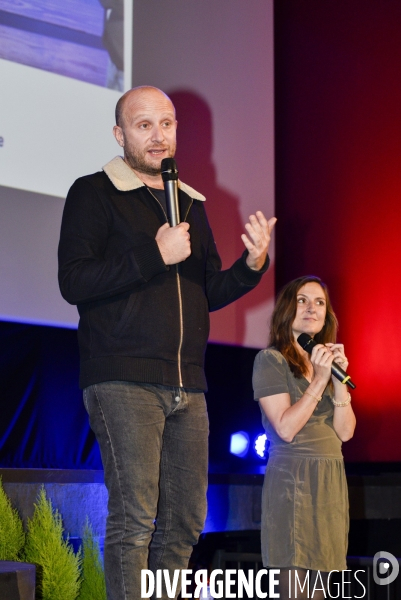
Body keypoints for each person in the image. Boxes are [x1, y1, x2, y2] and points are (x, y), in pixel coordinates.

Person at [58, 85, 276, 600]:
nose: (160, 137)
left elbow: (208, 292)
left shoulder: (191, 203)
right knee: (135, 522)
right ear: (120, 134)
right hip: (122, 379)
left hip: (187, 385)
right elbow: (74, 282)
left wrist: (250, 267)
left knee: (184, 525)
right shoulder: (92, 192)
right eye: (144, 125)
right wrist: (154, 254)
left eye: (168, 124)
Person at [252, 276, 356, 599]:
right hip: (293, 483)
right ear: (287, 309)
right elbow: (285, 428)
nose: (312, 308)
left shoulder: (326, 365)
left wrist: (337, 381)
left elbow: (345, 432)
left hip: (330, 485)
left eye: (319, 302)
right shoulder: (271, 360)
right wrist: (317, 381)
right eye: (302, 300)